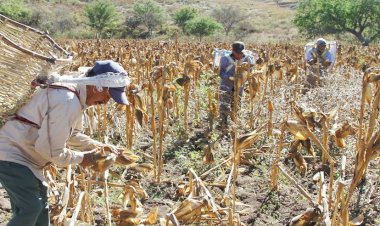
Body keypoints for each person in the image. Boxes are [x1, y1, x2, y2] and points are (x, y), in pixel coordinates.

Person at [0, 60, 129, 226]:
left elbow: (72, 134)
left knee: (41, 208)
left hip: (26, 156)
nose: (106, 102)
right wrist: (82, 159)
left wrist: (99, 147)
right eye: (108, 96)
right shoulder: (67, 101)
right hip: (12, 154)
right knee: (30, 208)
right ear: (97, 86)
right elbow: (50, 150)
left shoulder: (75, 97)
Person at [218, 41, 254, 130]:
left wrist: (244, 77)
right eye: (237, 53)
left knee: (237, 105)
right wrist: (229, 78)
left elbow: (250, 71)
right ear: (232, 51)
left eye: (241, 53)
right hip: (226, 86)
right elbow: (220, 72)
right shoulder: (225, 59)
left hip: (239, 87)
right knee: (224, 105)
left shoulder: (248, 59)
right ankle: (224, 124)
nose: (239, 55)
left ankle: (235, 125)